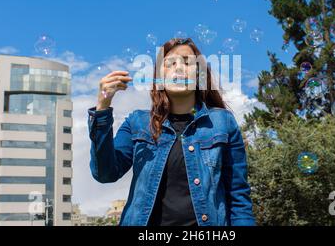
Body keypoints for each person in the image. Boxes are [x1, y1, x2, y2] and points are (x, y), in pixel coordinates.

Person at [87, 37, 256, 226]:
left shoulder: (222, 122)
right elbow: (105, 173)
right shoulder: (137, 123)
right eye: (170, 63)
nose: (179, 67)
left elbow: (238, 198)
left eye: (187, 62)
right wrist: (102, 107)